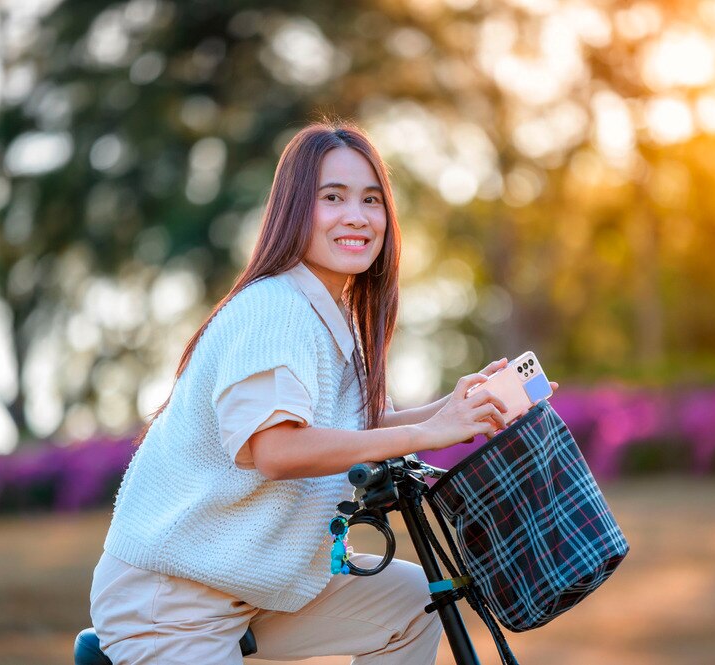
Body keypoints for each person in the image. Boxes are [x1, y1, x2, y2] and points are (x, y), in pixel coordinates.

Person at [89, 121, 519, 664]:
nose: (356, 217)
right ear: (294, 210)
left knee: (417, 604)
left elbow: (347, 431)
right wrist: (426, 433)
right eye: (332, 198)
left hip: (256, 587)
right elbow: (277, 450)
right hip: (175, 597)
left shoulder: (331, 318)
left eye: (371, 200)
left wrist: (454, 409)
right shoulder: (275, 309)